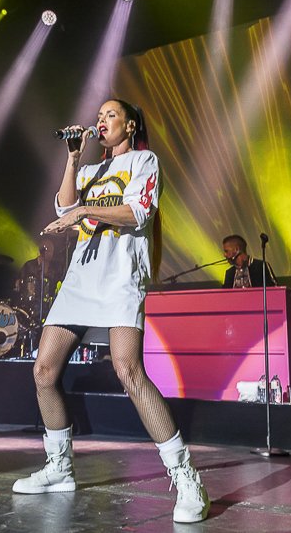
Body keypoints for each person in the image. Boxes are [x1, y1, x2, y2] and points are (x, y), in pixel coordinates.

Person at [12, 99, 210, 524]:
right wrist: (72, 159)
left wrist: (86, 210)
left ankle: (186, 476)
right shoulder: (90, 170)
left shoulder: (144, 161)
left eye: (111, 115)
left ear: (130, 125)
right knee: (44, 370)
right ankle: (59, 467)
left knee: (128, 370)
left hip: (120, 278)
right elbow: (64, 208)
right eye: (99, 116)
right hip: (81, 280)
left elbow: (138, 211)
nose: (101, 121)